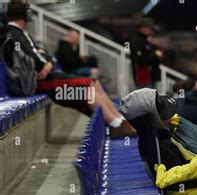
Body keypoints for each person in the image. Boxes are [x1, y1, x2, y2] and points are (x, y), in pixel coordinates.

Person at [6, 2, 132, 134]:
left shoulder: (20, 33)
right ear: (26, 15)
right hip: (38, 82)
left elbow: (46, 55)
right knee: (87, 85)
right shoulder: (14, 34)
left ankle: (119, 119)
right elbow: (36, 60)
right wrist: (46, 62)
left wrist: (48, 62)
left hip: (47, 77)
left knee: (94, 83)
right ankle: (115, 124)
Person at [130, 17, 163, 89]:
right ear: (143, 28)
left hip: (149, 77)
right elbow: (139, 59)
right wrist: (155, 55)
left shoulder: (146, 40)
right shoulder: (137, 40)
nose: (152, 31)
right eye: (150, 29)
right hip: (144, 78)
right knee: (146, 99)